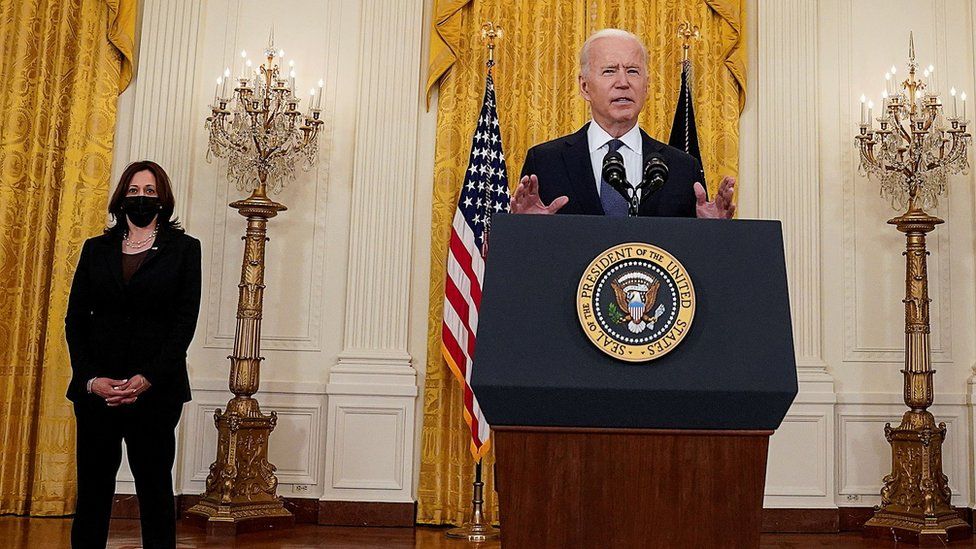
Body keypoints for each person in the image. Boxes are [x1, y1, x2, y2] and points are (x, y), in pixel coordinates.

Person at [65, 160, 201, 549]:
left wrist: (147, 378)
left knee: (155, 490)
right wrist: (91, 379)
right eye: (134, 191)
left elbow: (183, 324)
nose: (141, 199)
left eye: (150, 192)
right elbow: (75, 320)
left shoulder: (185, 250)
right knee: (93, 490)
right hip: (97, 393)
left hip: (156, 392)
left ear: (163, 200)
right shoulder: (96, 250)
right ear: (122, 197)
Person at [511, 28, 736, 219]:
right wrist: (526, 228)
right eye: (609, 71)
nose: (623, 82)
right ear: (584, 87)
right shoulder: (545, 162)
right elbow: (526, 255)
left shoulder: (682, 168)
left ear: (646, 86)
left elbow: (692, 258)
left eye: (633, 71)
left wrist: (712, 230)